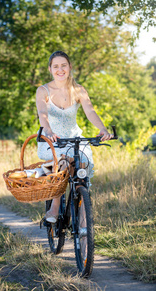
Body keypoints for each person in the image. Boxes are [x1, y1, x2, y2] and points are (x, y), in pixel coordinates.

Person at [36, 50, 113, 223]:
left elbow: (90, 112)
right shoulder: (43, 91)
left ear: (70, 67)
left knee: (81, 171)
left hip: (73, 137)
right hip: (52, 139)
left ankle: (83, 214)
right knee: (60, 166)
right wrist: (48, 130)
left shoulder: (79, 90)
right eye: (56, 66)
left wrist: (103, 129)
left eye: (63, 65)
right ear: (50, 69)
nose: (60, 69)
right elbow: (42, 113)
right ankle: (54, 207)